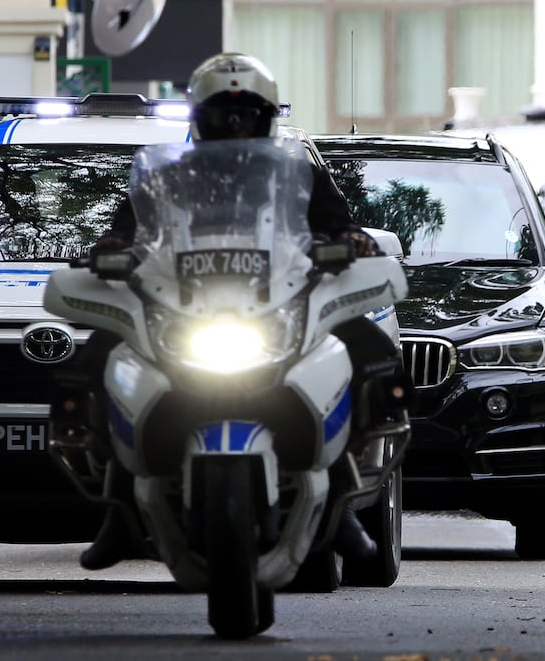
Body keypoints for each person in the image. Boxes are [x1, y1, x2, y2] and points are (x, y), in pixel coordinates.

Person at [75, 52, 389, 570]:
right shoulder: (167, 175)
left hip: (279, 302)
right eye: (224, 112)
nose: (236, 123)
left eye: (246, 112)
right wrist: (111, 247)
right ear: (200, 116)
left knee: (369, 353)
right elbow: (131, 229)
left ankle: (341, 497)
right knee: (94, 362)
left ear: (266, 115)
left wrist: (350, 240)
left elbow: (335, 224)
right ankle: (121, 505)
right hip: (184, 306)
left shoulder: (297, 171)